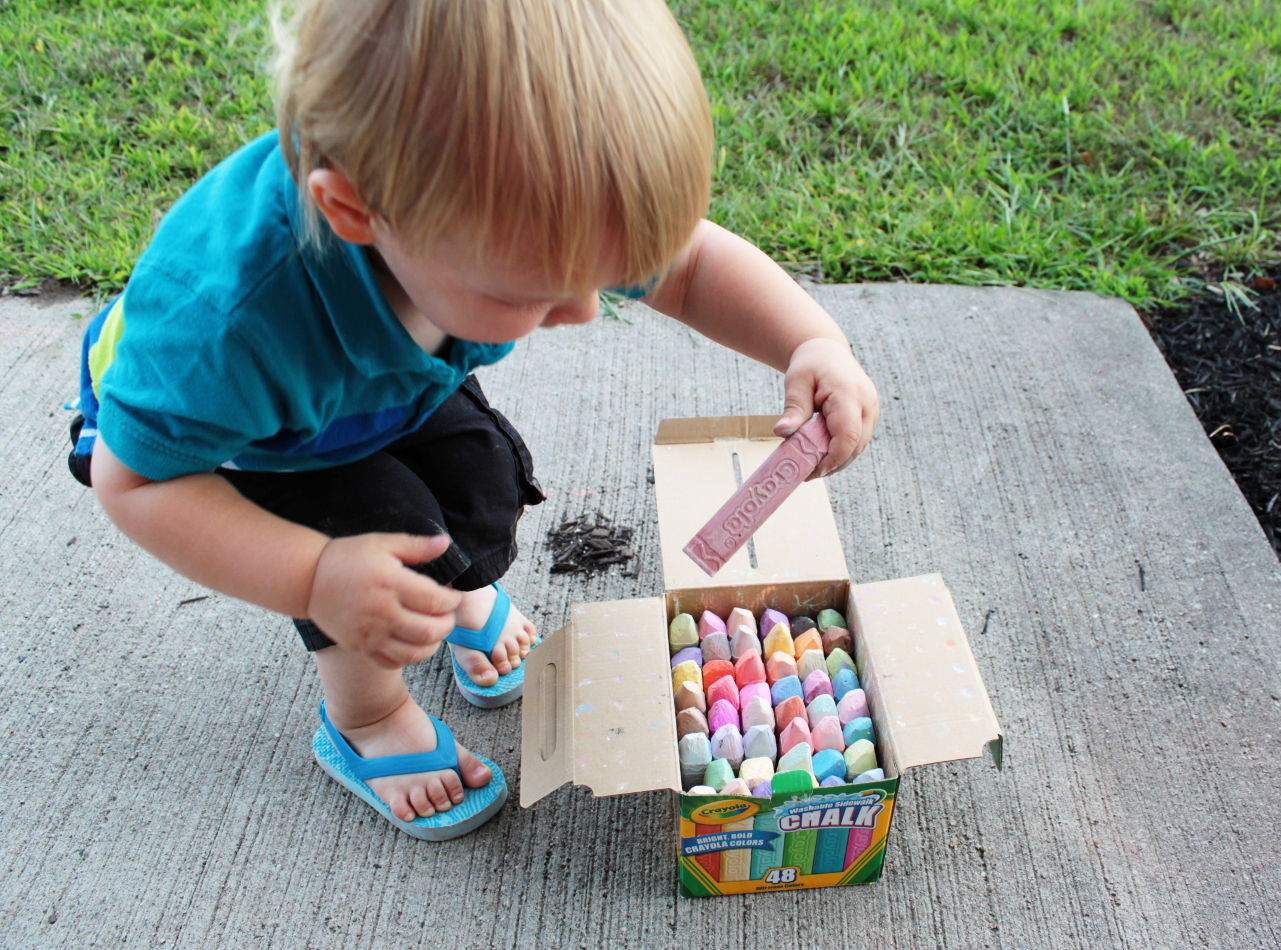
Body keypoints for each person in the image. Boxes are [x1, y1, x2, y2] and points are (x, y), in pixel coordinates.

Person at [69, 0, 879, 840]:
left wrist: (810, 340)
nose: (584, 310)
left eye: (606, 273)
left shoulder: (487, 227)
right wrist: (313, 575)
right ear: (355, 212)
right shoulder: (226, 328)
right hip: (248, 444)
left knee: (480, 484)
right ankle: (366, 720)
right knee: (376, 561)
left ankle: (456, 591)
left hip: (390, 383)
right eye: (531, 290)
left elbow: (692, 266)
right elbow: (133, 480)